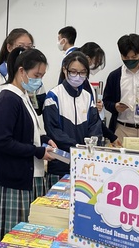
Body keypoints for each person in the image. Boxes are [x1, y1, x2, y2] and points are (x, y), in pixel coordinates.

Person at [0, 47, 56, 245]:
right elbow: (2, 141)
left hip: (27, 174)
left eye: (42, 76)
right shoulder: (8, 99)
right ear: (21, 71)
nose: (39, 81)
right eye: (36, 75)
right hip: (15, 178)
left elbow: (28, 130)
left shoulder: (24, 95)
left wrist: (45, 140)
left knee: (27, 237)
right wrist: (38, 151)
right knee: (15, 240)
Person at [0, 28, 35, 182]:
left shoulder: (32, 75)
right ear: (9, 47)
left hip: (25, 144)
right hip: (0, 144)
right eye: (21, 46)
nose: (25, 51)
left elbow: (38, 106)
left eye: (29, 47)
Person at [43, 52, 104, 186]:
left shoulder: (88, 96)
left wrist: (89, 148)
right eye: (74, 72)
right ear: (65, 70)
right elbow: (53, 130)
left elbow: (95, 125)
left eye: (82, 72)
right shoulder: (53, 96)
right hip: (60, 164)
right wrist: (77, 148)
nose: (78, 76)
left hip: (85, 166)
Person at [78, 41, 120, 147]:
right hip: (83, 137)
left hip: (92, 134)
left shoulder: (87, 83)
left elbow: (94, 116)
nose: (97, 66)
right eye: (97, 62)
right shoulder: (79, 84)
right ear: (88, 59)